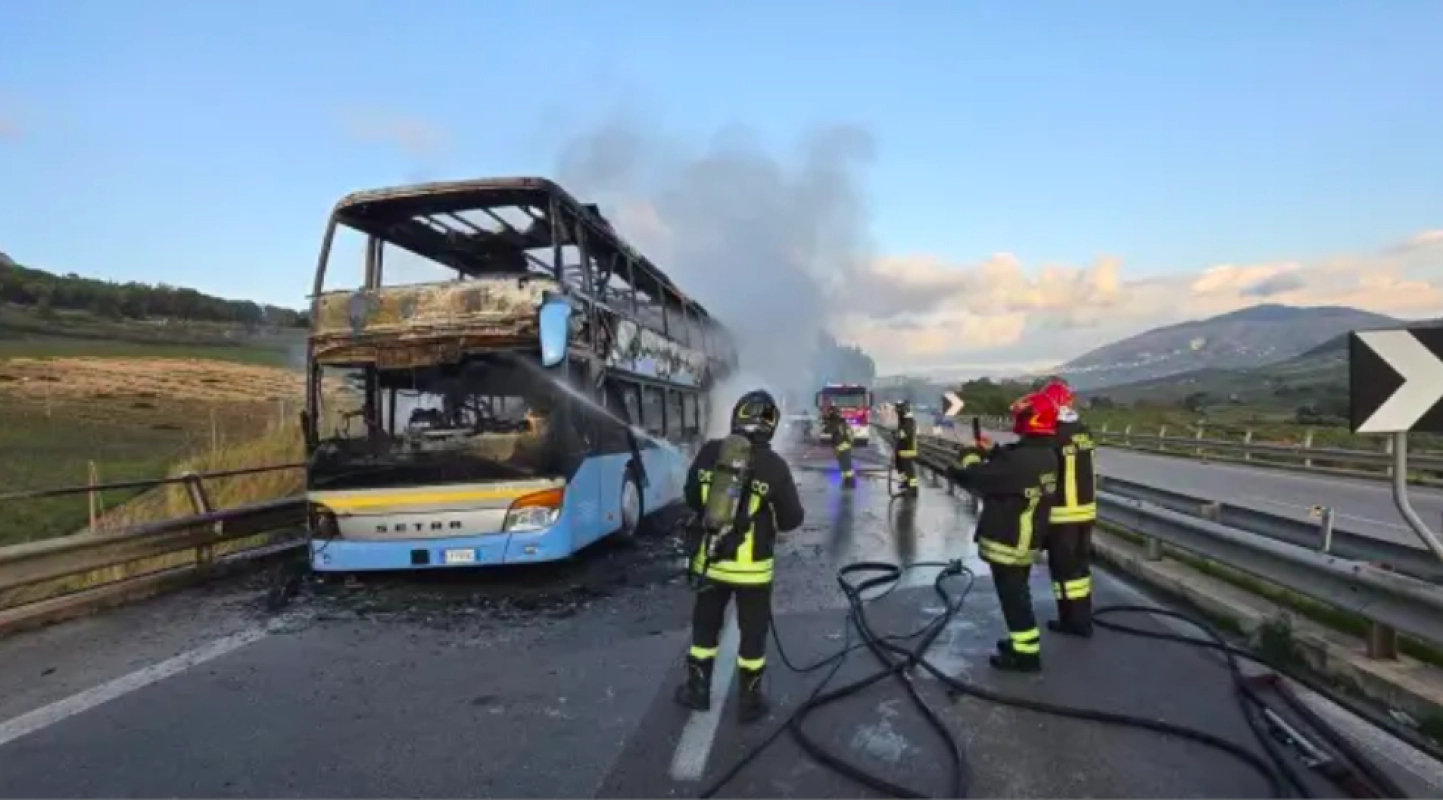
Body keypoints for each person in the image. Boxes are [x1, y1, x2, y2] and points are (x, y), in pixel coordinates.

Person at [675, 389, 806, 722]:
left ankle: (698, 690)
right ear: (771, 426)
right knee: (753, 632)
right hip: (753, 572)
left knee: (705, 627)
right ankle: (750, 701)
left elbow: (691, 499)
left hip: (711, 563)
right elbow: (792, 519)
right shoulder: (775, 466)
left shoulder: (709, 453)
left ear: (737, 415)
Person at [948, 391, 1060, 672]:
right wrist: (994, 451)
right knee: (1019, 594)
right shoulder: (1047, 454)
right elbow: (1012, 469)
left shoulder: (1021, 460)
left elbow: (976, 478)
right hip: (1028, 537)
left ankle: (1025, 656)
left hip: (1009, 540)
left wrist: (970, 457)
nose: (1016, 420)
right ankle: (1022, 644)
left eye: (1020, 416)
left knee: (1014, 599)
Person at [1038, 379, 1098, 637]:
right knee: (1080, 569)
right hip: (1086, 511)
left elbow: (1044, 471)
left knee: (1063, 569)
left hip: (1063, 514)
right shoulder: (1083, 430)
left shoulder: (1055, 434)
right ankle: (1081, 619)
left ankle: (1070, 622)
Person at [821, 404, 857, 488]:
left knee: (846, 466)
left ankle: (850, 482)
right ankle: (847, 481)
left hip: (842, 446)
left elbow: (827, 430)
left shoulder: (837, 422)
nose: (829, 414)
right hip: (843, 446)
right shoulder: (840, 421)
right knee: (844, 466)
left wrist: (825, 422)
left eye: (830, 413)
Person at [893, 400, 920, 497]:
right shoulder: (903, 419)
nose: (897, 412)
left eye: (899, 410)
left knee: (909, 469)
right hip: (902, 449)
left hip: (908, 449)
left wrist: (897, 435)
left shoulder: (909, 420)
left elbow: (906, 433)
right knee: (900, 466)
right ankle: (906, 483)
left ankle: (913, 488)